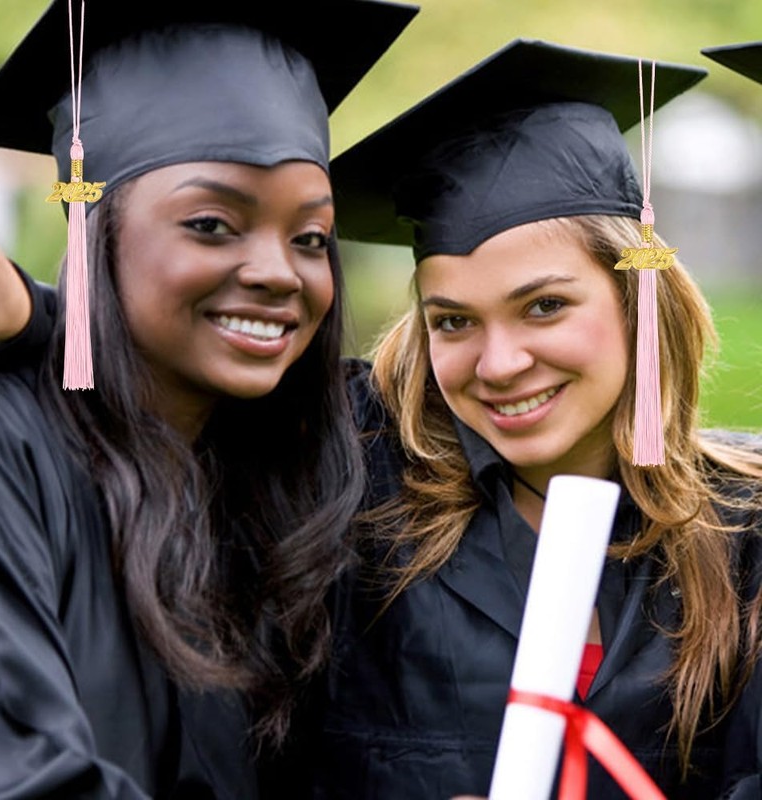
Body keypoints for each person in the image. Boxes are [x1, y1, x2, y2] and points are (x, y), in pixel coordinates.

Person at [0, 0, 417, 797]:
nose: (281, 271)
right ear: (90, 227)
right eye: (212, 224)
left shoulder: (295, 469)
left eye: (311, 237)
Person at [289, 39, 762, 798]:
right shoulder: (349, 488)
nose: (499, 363)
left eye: (545, 306)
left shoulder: (746, 533)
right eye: (453, 322)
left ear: (635, 297)